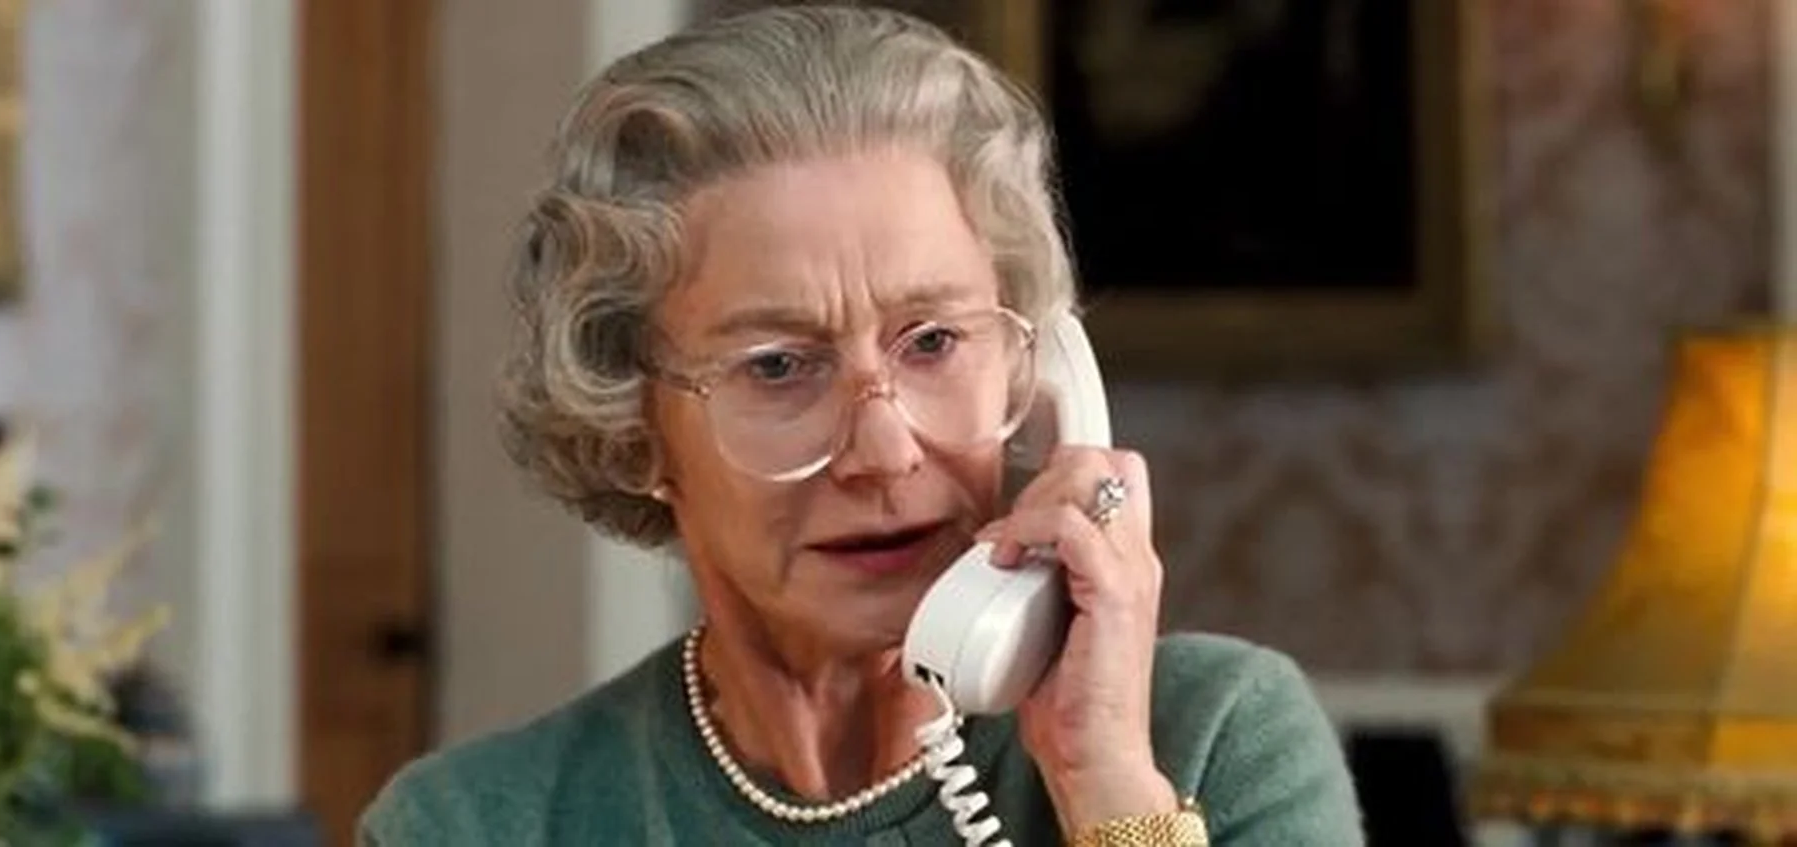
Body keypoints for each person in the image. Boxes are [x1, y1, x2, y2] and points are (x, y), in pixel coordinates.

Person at [361, 6, 1363, 845]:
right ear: (631, 425)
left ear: (1035, 368)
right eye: (778, 366)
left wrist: (1103, 784)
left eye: (933, 341)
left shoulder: (1214, 739)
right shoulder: (473, 823)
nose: (885, 452)